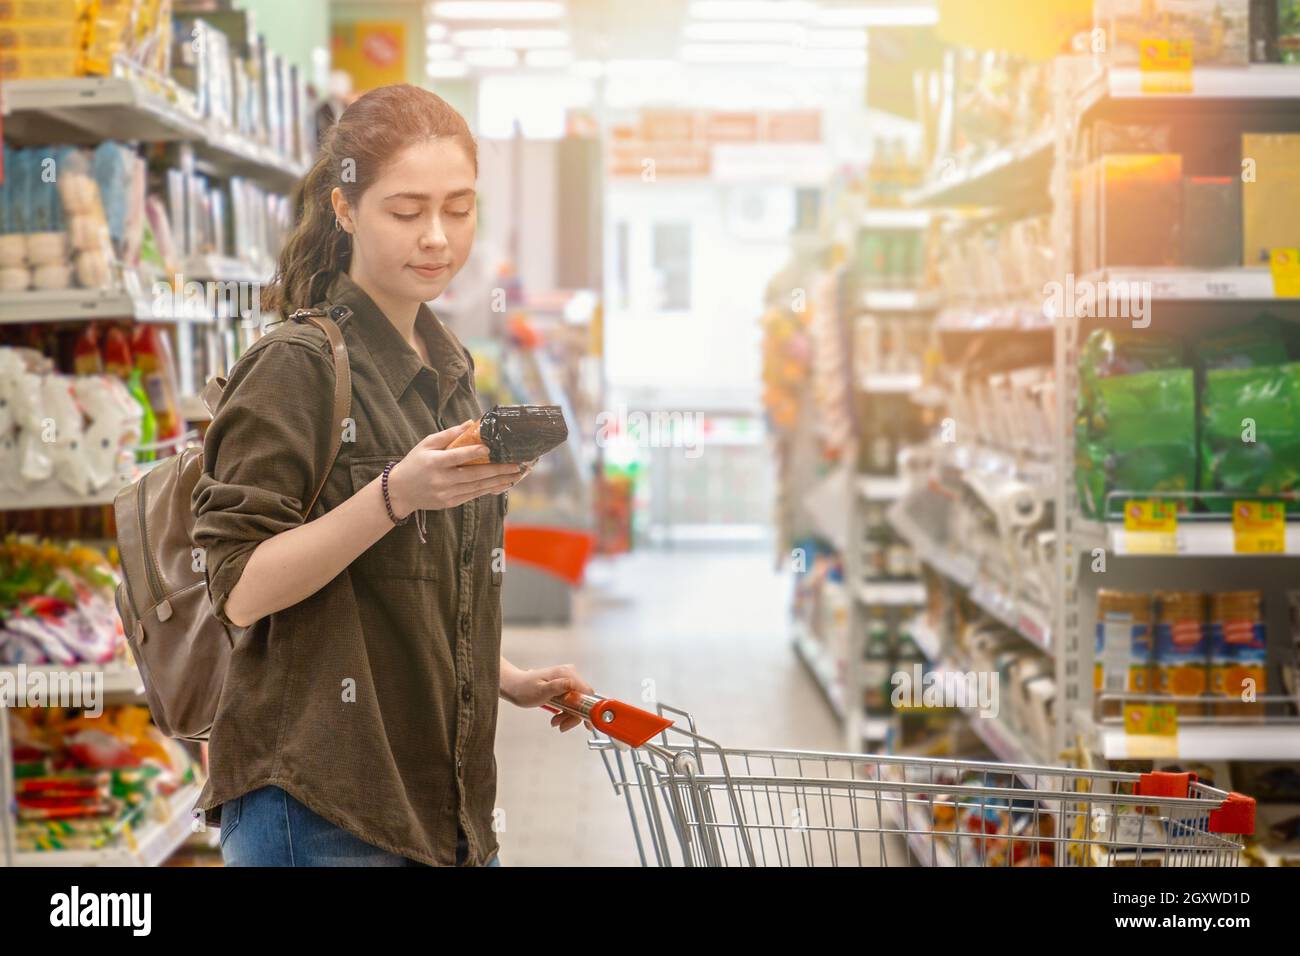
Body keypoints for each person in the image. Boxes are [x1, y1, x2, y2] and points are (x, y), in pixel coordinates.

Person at [190, 83, 594, 867]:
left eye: (459, 208)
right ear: (345, 209)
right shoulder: (296, 366)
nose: (437, 238)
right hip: (322, 807)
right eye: (406, 212)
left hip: (441, 804)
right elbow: (237, 586)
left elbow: (408, 583)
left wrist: (504, 677)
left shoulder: (446, 368)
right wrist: (392, 496)